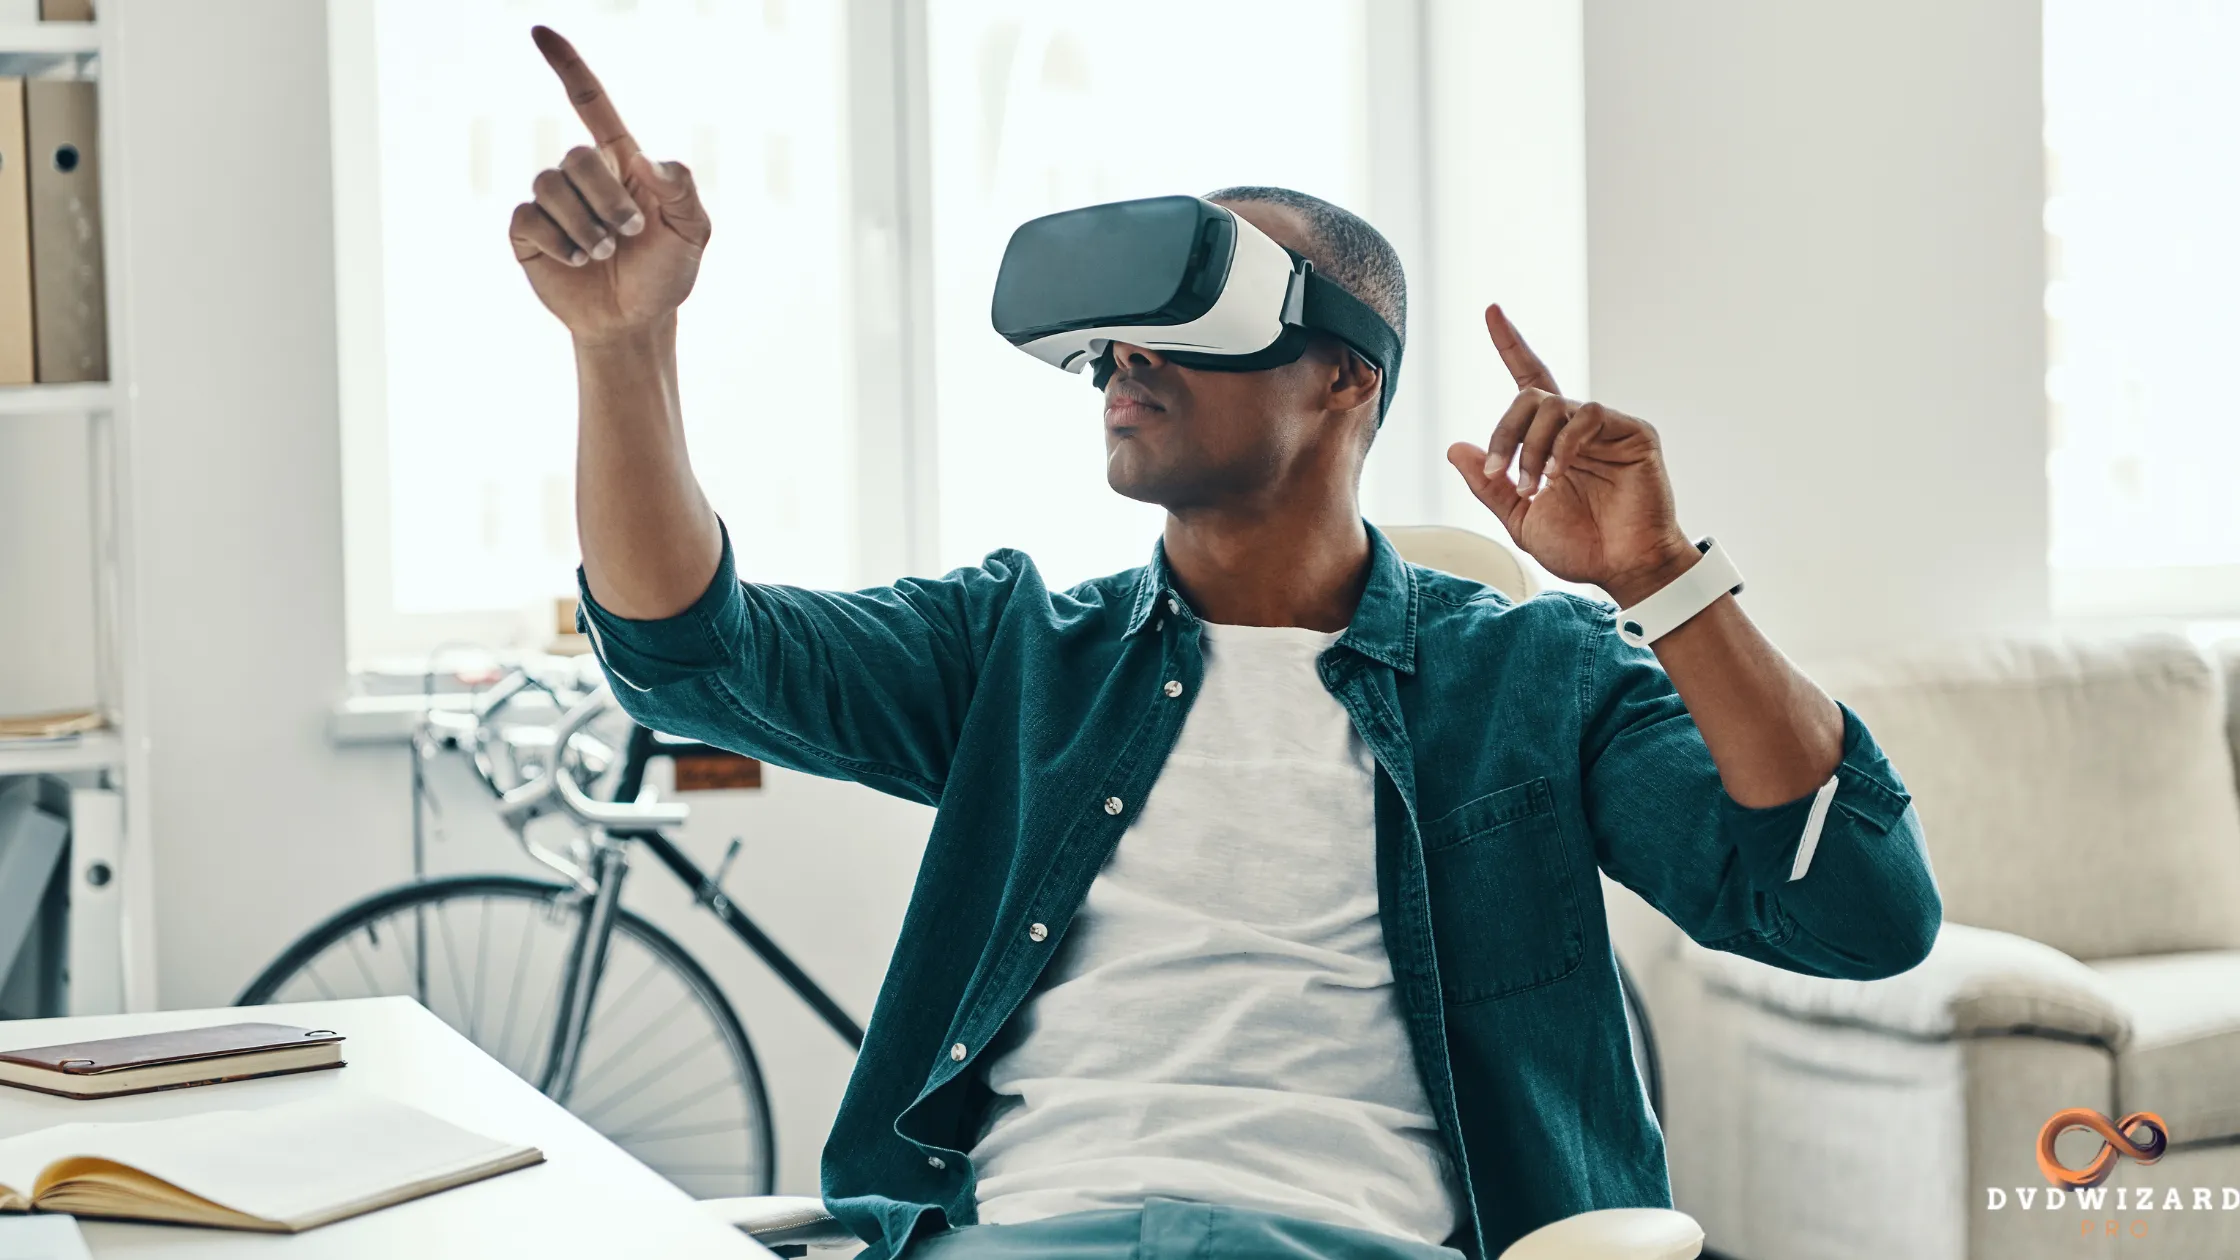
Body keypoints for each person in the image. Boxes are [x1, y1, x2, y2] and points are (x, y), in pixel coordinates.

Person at [509, 26, 1940, 1260]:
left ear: (1342, 376)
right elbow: (689, 653)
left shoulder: (1535, 677)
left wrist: (1662, 582)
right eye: (1113, 333)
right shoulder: (1017, 652)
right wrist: (620, 350)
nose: (1127, 354)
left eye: (1188, 310)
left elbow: (1856, 913)